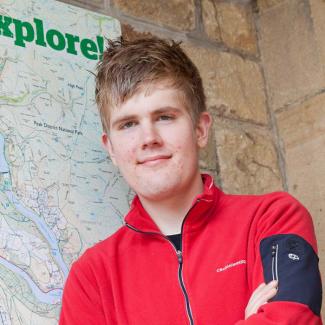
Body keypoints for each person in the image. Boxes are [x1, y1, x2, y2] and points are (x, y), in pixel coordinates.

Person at [59, 37, 323, 324]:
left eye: (164, 117)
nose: (149, 139)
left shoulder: (272, 218)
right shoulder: (91, 278)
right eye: (128, 124)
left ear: (200, 129)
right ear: (110, 148)